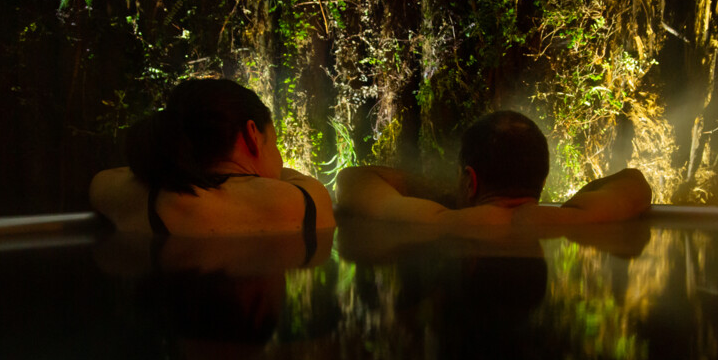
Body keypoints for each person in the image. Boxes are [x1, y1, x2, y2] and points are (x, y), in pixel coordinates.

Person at [90, 78, 335, 236]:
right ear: (252, 135)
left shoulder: (146, 199)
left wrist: (181, 167)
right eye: (275, 142)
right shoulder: (302, 202)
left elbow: (103, 181)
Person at [336, 110, 652, 226]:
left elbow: (352, 180)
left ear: (470, 181)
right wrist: (572, 206)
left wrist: (448, 193)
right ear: (541, 181)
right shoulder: (578, 220)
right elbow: (634, 181)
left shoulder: (438, 222)